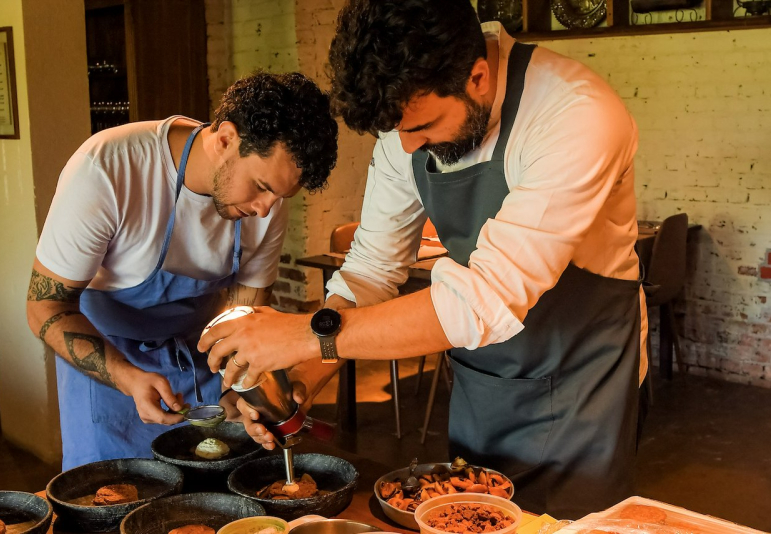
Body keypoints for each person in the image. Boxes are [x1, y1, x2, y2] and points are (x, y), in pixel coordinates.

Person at [199, 0, 648, 519]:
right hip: (486, 379)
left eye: (424, 126)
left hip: (580, 384)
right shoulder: (403, 127)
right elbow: (372, 268)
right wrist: (301, 376)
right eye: (397, 133)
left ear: (477, 76)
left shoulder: (576, 115)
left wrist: (305, 333)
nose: (409, 147)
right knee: (473, 517)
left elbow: (485, 299)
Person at [26, 71, 338, 470]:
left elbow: (245, 320)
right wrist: (126, 377)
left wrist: (237, 390)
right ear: (225, 139)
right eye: (261, 187)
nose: (266, 209)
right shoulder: (108, 168)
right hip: (111, 376)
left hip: (202, 368)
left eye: (280, 195)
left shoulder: (266, 204)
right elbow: (43, 306)